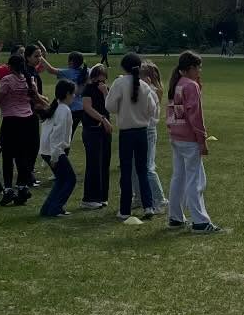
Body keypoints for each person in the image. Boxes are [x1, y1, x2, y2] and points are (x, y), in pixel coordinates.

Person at [166, 51, 218, 232]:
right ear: (191, 68)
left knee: (178, 177)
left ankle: (175, 217)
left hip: (176, 136)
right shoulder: (190, 85)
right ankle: (200, 221)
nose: (200, 71)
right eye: (198, 67)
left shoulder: (177, 83)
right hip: (188, 138)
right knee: (195, 180)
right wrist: (201, 139)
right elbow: (195, 115)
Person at [105, 53, 158, 221]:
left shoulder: (119, 83)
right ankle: (148, 205)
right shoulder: (144, 85)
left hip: (126, 132)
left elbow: (110, 106)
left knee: (126, 171)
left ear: (123, 67)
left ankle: (125, 209)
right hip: (142, 131)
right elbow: (152, 109)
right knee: (142, 170)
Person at [0, 48, 45, 203]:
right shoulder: (28, 79)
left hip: (11, 121)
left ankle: (8, 189)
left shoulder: (8, 80)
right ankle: (22, 187)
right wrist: (48, 105)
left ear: (10, 67)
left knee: (8, 156)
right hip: (27, 120)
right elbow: (37, 98)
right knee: (23, 155)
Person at [38, 78, 78, 218]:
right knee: (70, 179)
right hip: (54, 151)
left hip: (47, 150)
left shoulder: (54, 108)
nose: (74, 96)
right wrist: (55, 156)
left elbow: (47, 133)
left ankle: (47, 208)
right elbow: (57, 135)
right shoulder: (63, 110)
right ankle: (55, 208)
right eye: (73, 94)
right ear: (67, 94)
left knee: (61, 179)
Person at [79, 63, 112, 209]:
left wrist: (105, 93)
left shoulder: (106, 90)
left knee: (104, 162)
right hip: (92, 129)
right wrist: (102, 119)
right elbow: (87, 107)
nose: (100, 82)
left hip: (105, 130)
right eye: (98, 78)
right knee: (94, 163)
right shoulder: (88, 89)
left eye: (103, 79)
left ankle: (102, 196)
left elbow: (110, 107)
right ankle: (90, 197)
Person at [140, 61, 167, 211]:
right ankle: (139, 196)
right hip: (140, 128)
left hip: (148, 129)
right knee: (135, 166)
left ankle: (159, 198)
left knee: (148, 166)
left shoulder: (153, 90)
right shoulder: (146, 88)